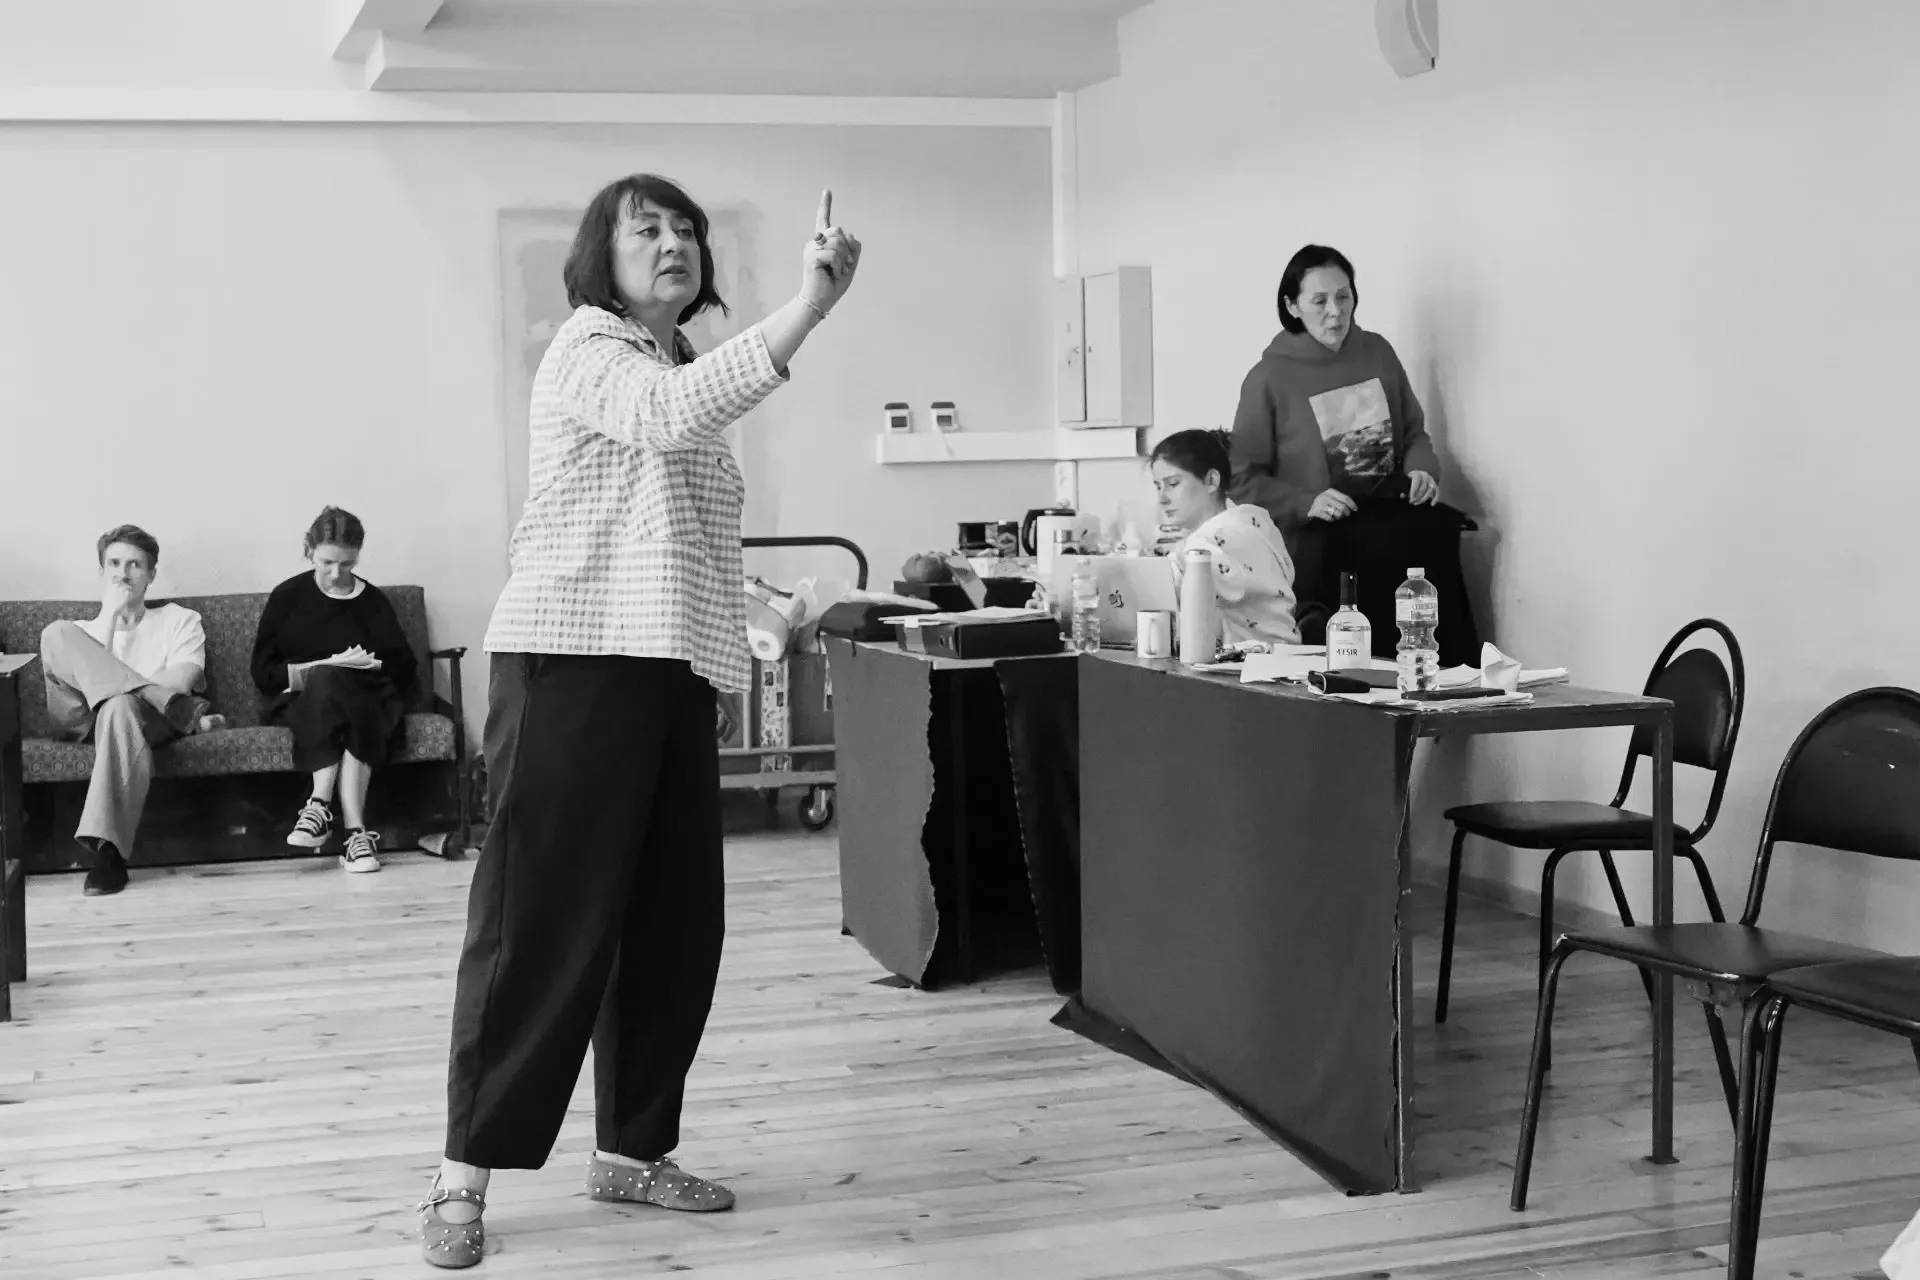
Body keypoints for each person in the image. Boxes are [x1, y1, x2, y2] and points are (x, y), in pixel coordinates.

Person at [419, 174, 861, 1269]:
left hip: (670, 672)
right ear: (601, 258)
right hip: (572, 665)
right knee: (538, 923)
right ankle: (462, 1175)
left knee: (672, 924)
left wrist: (743, 631)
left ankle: (633, 1149)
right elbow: (667, 418)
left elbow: (676, 527)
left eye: (687, 230)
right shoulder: (589, 346)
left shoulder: (677, 362)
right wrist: (809, 307)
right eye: (647, 228)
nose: (674, 242)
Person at [38, 525, 221, 896]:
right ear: (101, 571)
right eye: (114, 563)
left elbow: (183, 679)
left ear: (151, 575)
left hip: (138, 721)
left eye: (135, 565)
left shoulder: (179, 619)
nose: (123, 574)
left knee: (119, 706)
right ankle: (185, 715)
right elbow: (76, 692)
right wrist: (109, 615)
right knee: (54, 633)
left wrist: (123, 694)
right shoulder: (79, 630)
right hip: (80, 719)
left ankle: (108, 854)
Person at [250, 506, 418, 873]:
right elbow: (262, 672)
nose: (336, 573)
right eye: (326, 562)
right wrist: (315, 672)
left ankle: (318, 807)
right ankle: (356, 835)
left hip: (369, 698)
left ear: (358, 557)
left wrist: (363, 669)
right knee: (331, 682)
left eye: (346, 564)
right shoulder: (287, 597)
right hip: (302, 702)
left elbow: (404, 667)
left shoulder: (372, 602)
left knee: (352, 694)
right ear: (309, 551)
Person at [1228, 244, 1440, 534]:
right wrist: (1305, 503)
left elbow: (1414, 434)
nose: (1335, 311)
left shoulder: (1378, 353)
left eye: (1343, 296)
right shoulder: (1268, 378)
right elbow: (1242, 479)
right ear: (1292, 306)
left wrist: (1422, 470)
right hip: (1313, 544)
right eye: (1319, 301)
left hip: (1391, 531)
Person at [1151, 429, 1300, 646]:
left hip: (1253, 662)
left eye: (1173, 484)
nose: (1162, 498)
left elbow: (1160, 593)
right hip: (1286, 653)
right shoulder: (1253, 522)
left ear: (1212, 481)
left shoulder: (1214, 540)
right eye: (1158, 486)